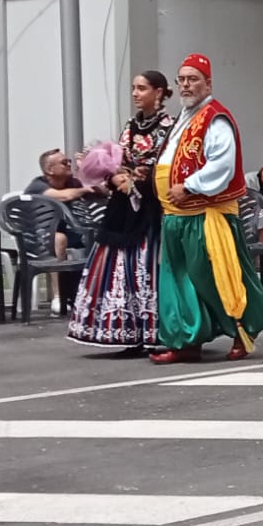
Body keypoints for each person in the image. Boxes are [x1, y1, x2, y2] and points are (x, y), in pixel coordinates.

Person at [150, 53, 263, 363]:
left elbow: (222, 162)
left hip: (204, 213)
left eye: (193, 79)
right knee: (178, 279)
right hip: (175, 214)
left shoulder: (215, 117)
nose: (186, 85)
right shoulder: (183, 118)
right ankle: (186, 339)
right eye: (182, 79)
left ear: (208, 83)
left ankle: (244, 329)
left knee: (215, 274)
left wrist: (189, 186)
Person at [68, 71, 174, 355]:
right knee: (118, 265)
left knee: (146, 267)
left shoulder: (170, 127)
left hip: (151, 209)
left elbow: (166, 166)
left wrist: (138, 178)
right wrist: (115, 176)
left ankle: (153, 331)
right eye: (133, 88)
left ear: (160, 92)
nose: (136, 93)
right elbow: (122, 161)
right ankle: (123, 331)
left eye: (142, 88)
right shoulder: (130, 125)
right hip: (122, 207)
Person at [26, 147, 91, 261]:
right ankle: (58, 279)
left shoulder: (72, 183)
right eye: (64, 162)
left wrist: (87, 170)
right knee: (59, 239)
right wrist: (85, 190)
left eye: (69, 161)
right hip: (35, 235)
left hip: (65, 231)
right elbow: (64, 195)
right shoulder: (37, 186)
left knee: (93, 235)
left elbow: (98, 190)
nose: (69, 165)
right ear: (50, 170)